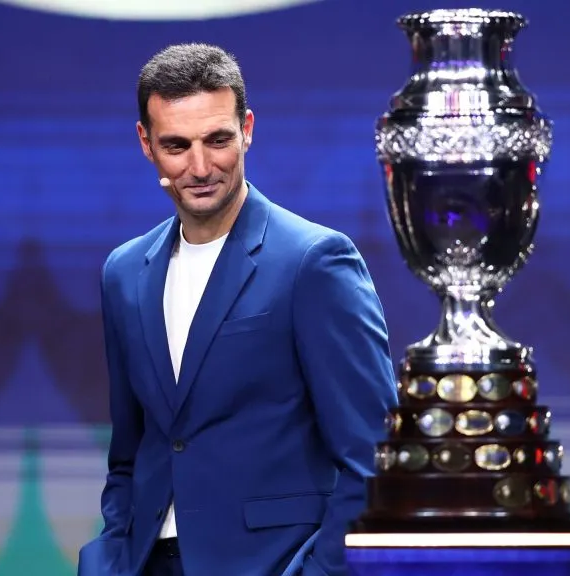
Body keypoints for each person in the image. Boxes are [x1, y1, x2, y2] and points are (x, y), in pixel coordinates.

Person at [76, 43, 399, 576]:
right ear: (145, 144)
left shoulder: (313, 261)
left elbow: (375, 456)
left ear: (247, 128)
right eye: (176, 145)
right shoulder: (124, 273)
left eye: (218, 139)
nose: (200, 166)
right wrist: (109, 555)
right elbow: (131, 454)